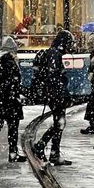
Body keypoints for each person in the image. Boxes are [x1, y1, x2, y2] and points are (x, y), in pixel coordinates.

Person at [31, 30, 74, 166]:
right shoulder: (55, 54)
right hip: (56, 95)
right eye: (70, 43)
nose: (71, 46)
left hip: (54, 94)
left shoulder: (53, 52)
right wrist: (62, 94)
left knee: (59, 122)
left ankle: (49, 149)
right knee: (59, 123)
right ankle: (44, 148)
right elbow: (54, 77)